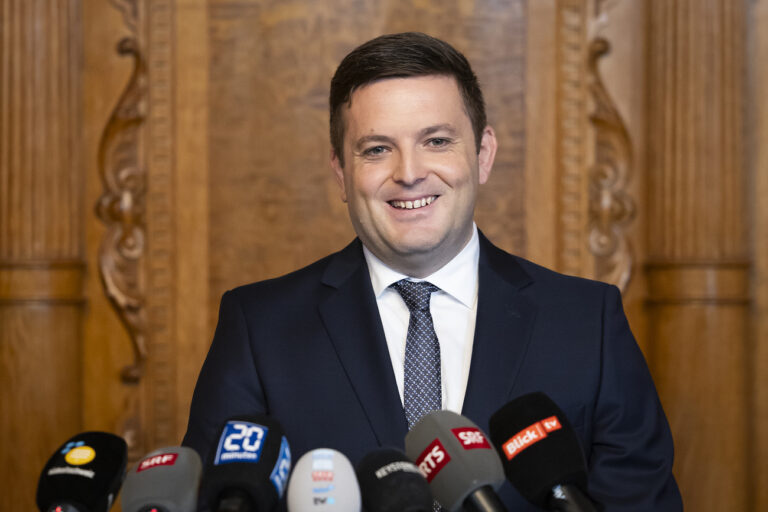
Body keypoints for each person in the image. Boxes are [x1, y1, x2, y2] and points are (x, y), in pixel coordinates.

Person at [183, 32, 682, 510]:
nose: (408, 172)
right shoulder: (260, 327)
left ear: (483, 155)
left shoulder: (587, 323)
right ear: (340, 172)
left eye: (437, 141)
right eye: (377, 149)